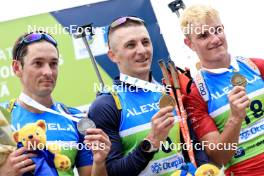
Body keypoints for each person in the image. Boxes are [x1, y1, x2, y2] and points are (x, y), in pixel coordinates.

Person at [88, 16, 209, 176]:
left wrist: (204, 169)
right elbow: (113, 172)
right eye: (131, 45)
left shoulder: (170, 92)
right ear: (113, 56)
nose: (142, 50)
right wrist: (151, 141)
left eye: (145, 42)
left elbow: (193, 145)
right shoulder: (106, 105)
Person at [0, 31, 111, 176]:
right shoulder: (2, 117)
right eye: (38, 63)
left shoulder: (76, 118)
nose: (48, 72)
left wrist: (99, 162)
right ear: (16, 68)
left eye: (53, 64)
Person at [180, 4, 264, 176]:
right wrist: (235, 118)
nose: (215, 39)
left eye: (217, 30)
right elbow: (219, 158)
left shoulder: (257, 66)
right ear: (189, 44)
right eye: (203, 35)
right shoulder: (196, 95)